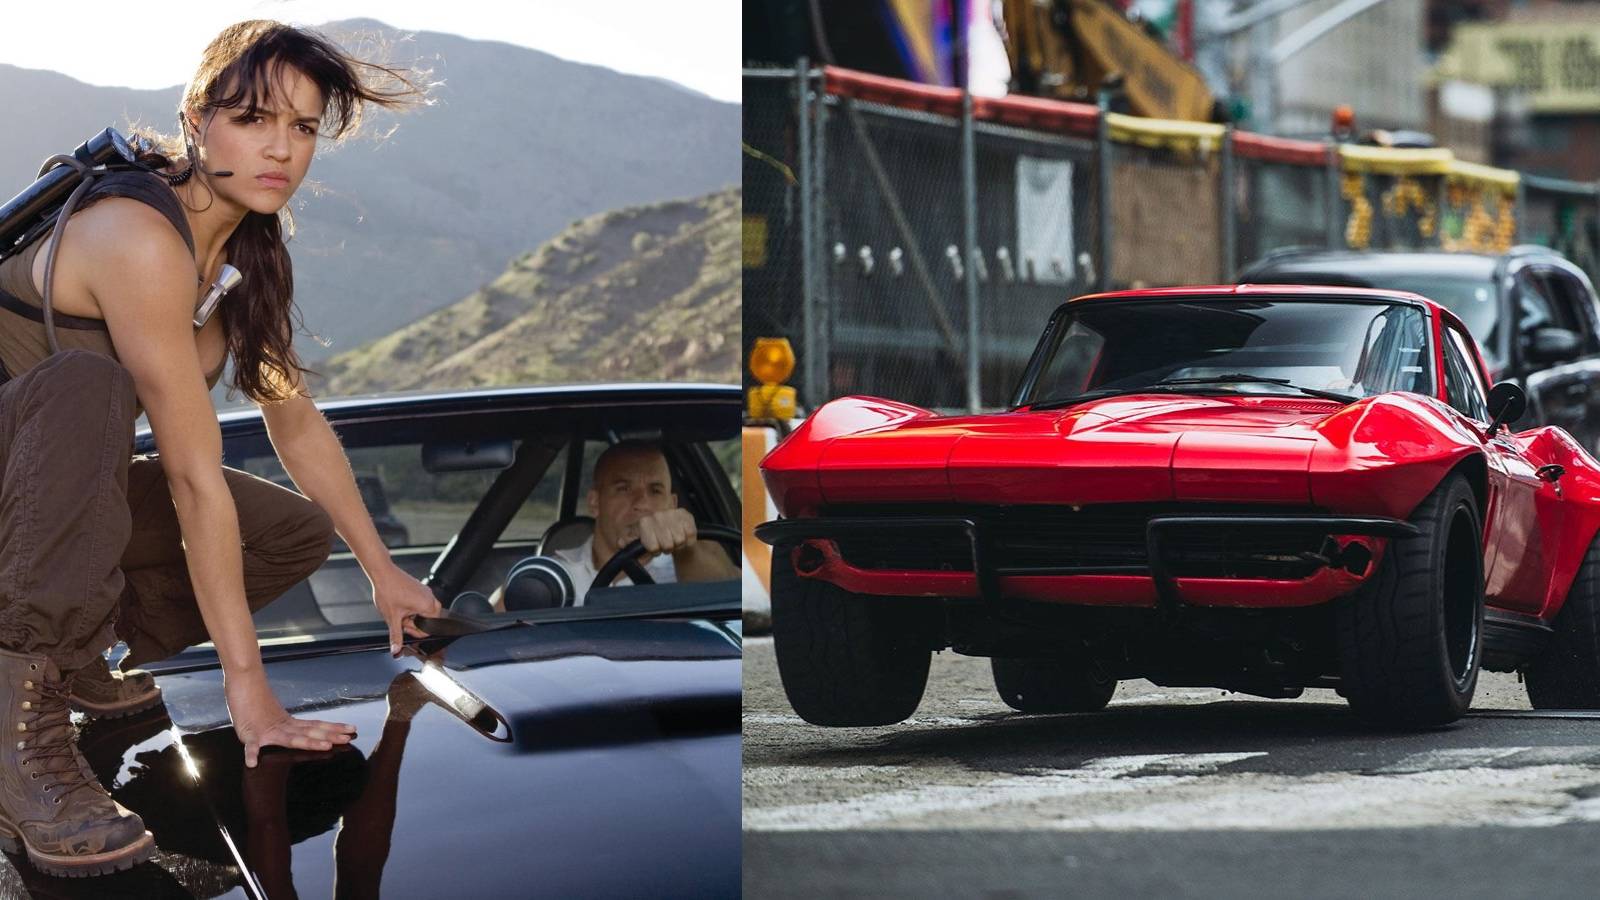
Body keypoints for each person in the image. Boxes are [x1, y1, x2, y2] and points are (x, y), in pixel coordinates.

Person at [0, 20, 439, 876]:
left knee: (288, 532)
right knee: (89, 390)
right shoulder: (136, 237)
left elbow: (294, 418)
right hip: (14, 488)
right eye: (254, 119)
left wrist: (382, 568)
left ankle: (70, 656)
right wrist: (251, 692)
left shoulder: (245, 257)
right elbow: (195, 481)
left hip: (39, 513)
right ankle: (20, 730)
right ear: (198, 120)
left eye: (304, 128)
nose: (282, 148)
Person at [548, 441, 738, 598]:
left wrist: (687, 551)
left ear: (672, 505)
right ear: (595, 503)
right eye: (623, 489)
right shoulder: (557, 573)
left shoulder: (692, 564)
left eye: (655, 491)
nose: (642, 504)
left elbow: (729, 593)